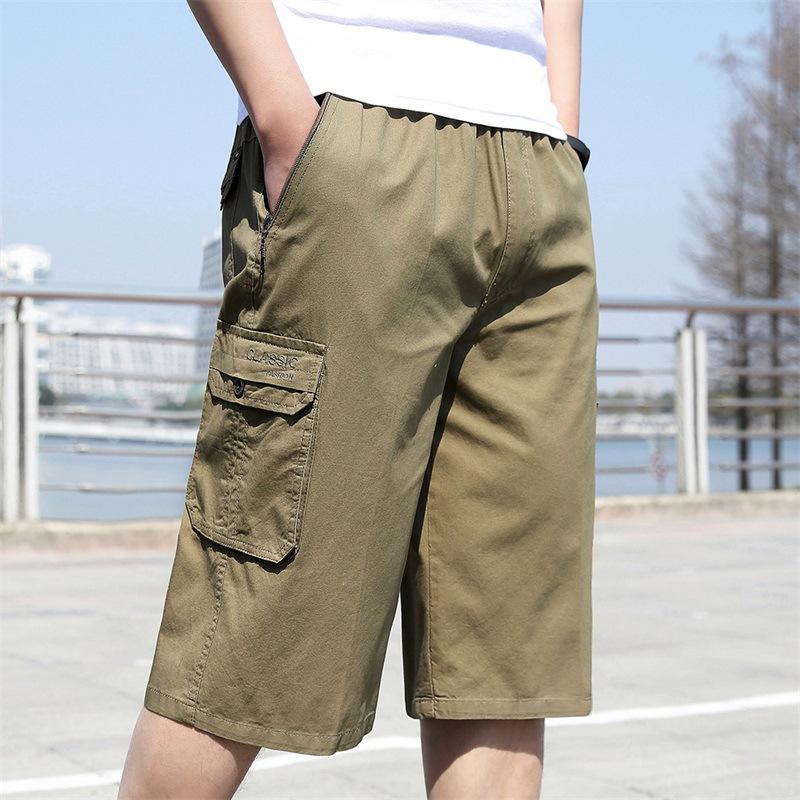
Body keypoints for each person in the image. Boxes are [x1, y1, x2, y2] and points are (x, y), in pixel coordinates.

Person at [119, 1, 597, 797]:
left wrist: (562, 129)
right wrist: (284, 116)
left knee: (502, 659)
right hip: (352, 128)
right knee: (245, 637)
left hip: (537, 160)